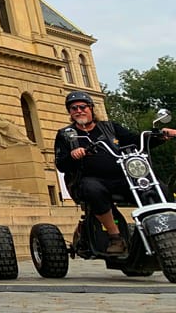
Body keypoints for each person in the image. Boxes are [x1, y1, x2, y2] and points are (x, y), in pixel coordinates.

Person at [54, 91, 176, 255]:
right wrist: (73, 155)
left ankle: (163, 232)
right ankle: (115, 237)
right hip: (89, 180)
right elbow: (61, 164)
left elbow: (135, 140)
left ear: (91, 108)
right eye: (73, 108)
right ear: (70, 112)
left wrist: (160, 136)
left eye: (83, 106)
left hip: (123, 177)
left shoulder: (110, 127)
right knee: (93, 189)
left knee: (156, 186)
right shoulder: (65, 135)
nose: (78, 110)